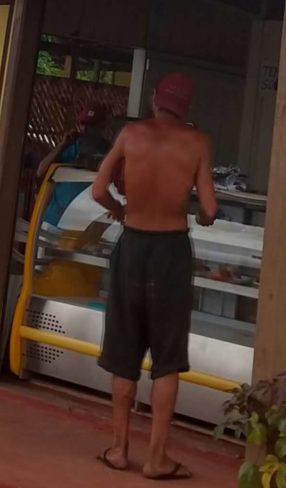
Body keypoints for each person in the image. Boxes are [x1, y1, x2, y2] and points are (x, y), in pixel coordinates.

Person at [89, 72, 216, 480]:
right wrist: (200, 216)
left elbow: (98, 190)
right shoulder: (197, 142)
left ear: (155, 99)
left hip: (132, 247)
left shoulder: (131, 134)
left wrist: (121, 211)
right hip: (171, 253)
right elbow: (210, 208)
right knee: (167, 360)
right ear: (187, 106)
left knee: (124, 354)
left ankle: (118, 449)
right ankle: (157, 459)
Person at [35, 106, 115, 228]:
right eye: (83, 125)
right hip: (55, 219)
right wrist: (62, 145)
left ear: (102, 127)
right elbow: (41, 171)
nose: (86, 130)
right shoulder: (72, 146)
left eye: (92, 126)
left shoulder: (109, 151)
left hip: (84, 223)